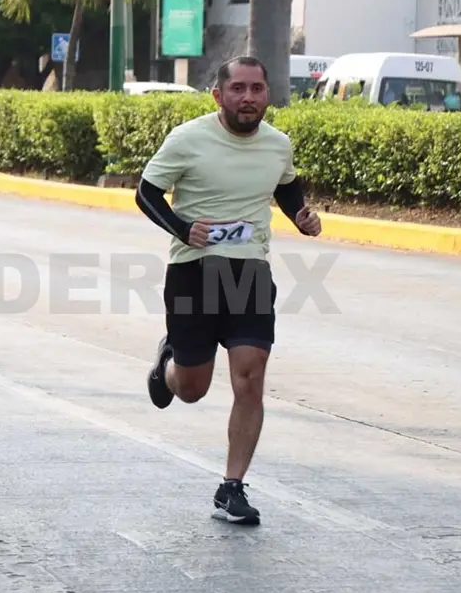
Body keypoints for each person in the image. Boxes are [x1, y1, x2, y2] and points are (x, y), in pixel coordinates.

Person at [135, 56, 322, 526]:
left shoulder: (277, 145)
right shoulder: (188, 139)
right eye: (238, 88)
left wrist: (302, 216)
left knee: (250, 374)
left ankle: (231, 487)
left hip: (249, 273)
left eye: (257, 88)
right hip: (194, 273)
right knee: (193, 388)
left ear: (267, 95)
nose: (248, 97)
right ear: (218, 95)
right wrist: (182, 228)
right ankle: (170, 365)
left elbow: (286, 188)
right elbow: (146, 192)